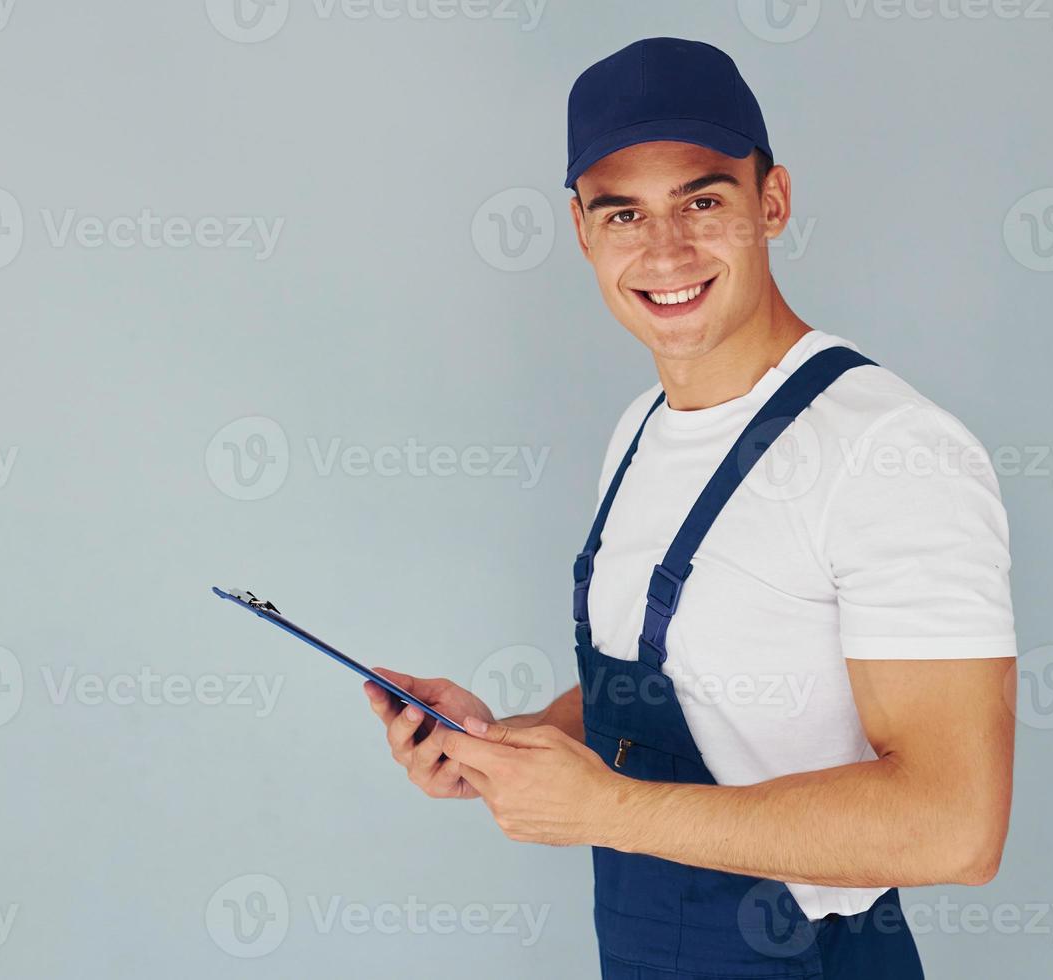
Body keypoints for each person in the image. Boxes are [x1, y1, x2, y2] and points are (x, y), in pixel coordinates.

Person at [364, 36, 1017, 979]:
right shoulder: (641, 429)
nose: (663, 250)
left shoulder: (889, 450)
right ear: (582, 231)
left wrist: (605, 810)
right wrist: (510, 743)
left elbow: (954, 827)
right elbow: (700, 690)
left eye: (702, 201)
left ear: (773, 201)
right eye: (622, 212)